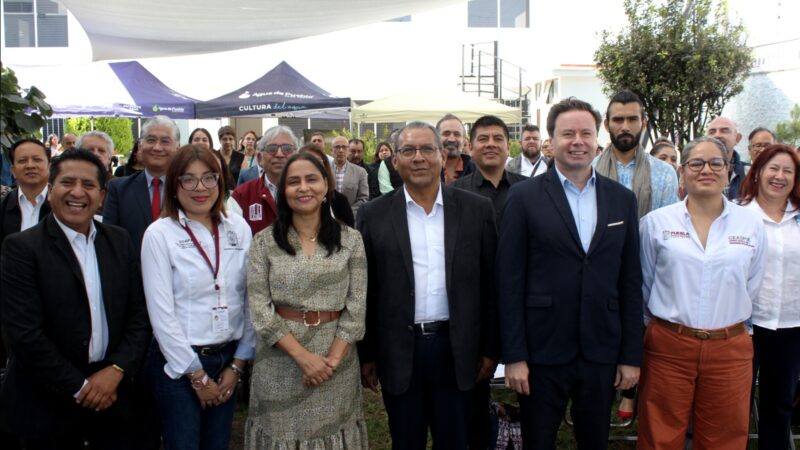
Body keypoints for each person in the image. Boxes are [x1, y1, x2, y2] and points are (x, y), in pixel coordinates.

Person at [497, 97, 643, 449]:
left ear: (598, 139)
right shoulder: (523, 197)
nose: (577, 141)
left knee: (594, 440)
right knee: (539, 440)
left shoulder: (622, 199)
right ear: (551, 141)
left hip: (601, 348)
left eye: (586, 133)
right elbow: (509, 279)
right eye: (568, 133)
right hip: (541, 351)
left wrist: (630, 356)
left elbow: (630, 281)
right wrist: (514, 355)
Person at [357, 121, 498, 448]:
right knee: (406, 441)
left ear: (442, 155)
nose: (418, 158)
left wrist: (491, 348)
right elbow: (367, 288)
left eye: (426, 149)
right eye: (408, 150)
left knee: (456, 440)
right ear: (395, 161)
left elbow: (490, 284)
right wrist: (367, 354)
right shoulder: (373, 215)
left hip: (458, 349)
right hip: (400, 351)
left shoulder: (476, 210)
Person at [0, 149, 151, 449]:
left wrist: (117, 370)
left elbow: (140, 316)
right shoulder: (21, 248)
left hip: (114, 398)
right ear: (52, 188)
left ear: (102, 194)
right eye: (68, 182)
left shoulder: (119, 241)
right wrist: (82, 387)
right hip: (47, 403)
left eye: (88, 185)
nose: (78, 192)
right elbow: (24, 335)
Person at [637, 136, 766, 449]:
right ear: (682, 172)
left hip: (729, 348)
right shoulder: (655, 224)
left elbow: (752, 284)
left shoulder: (751, 225)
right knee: (659, 437)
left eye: (715, 163)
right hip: (669, 346)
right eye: (696, 163)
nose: (705, 170)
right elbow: (644, 284)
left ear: (727, 171)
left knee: (724, 438)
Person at [245, 152, 368, 448]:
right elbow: (260, 310)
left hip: (336, 362)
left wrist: (330, 362)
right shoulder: (264, 241)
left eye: (311, 179)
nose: (303, 188)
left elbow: (357, 306)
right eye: (293, 182)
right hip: (280, 363)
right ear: (283, 191)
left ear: (326, 186)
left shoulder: (350, 240)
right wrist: (303, 358)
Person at [141, 145, 255, 449]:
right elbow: (161, 315)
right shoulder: (159, 234)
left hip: (228, 359)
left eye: (209, 178)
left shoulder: (239, 228)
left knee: (217, 444)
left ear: (221, 181)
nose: (200, 188)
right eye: (188, 180)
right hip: (178, 364)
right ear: (174, 186)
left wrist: (238, 365)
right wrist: (198, 377)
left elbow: (250, 298)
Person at [451, 115, 524, 449]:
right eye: (483, 138)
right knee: (473, 395)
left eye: (498, 138)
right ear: (470, 146)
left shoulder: (530, 190)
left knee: (530, 388)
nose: (491, 144)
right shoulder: (453, 195)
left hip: (524, 302)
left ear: (509, 146)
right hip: (474, 306)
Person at [738, 144, 800, 450]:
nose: (780, 176)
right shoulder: (737, 215)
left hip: (791, 325)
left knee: (779, 404)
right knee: (736, 405)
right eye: (774, 168)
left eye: (788, 171)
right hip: (745, 325)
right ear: (758, 171)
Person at [594, 90, 679, 219]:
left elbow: (667, 226)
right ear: (607, 125)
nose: (625, 127)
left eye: (632, 119)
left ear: (643, 123)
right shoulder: (590, 170)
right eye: (618, 120)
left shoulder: (664, 173)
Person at [104, 116, 180, 251]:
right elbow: (110, 241)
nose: (157, 147)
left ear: (178, 148)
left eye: (165, 141)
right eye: (151, 140)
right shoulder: (119, 189)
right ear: (140, 146)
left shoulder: (188, 189)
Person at [228, 126, 297, 235]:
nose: (279, 154)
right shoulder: (241, 195)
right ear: (260, 158)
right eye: (272, 149)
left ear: (296, 156)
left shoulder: (309, 193)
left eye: (287, 149)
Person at [300, 144, 356, 227]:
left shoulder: (340, 200)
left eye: (318, 162)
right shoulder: (291, 199)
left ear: (325, 167)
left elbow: (351, 234)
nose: (312, 166)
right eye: (306, 161)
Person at [706, 116, 746, 201]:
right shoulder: (694, 171)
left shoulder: (751, 172)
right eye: (712, 132)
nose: (717, 135)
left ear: (737, 139)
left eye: (724, 131)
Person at [330, 136, 369, 217]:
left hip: (350, 219)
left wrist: (347, 212)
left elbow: (363, 198)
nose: (341, 150)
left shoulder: (360, 172)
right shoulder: (323, 169)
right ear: (331, 150)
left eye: (344, 147)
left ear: (348, 150)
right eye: (337, 147)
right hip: (327, 218)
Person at [437, 114, 476, 184]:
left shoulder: (476, 171)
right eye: (446, 133)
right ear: (436, 138)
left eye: (457, 134)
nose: (451, 139)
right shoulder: (424, 168)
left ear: (464, 141)